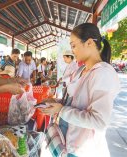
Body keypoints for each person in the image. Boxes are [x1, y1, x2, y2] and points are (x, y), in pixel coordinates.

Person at [41, 23, 120, 157]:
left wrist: (61, 110)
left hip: (85, 150)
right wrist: (56, 102)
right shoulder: (81, 70)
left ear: (89, 43)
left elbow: (99, 121)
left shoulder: (103, 74)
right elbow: (75, 103)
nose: (72, 50)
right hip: (69, 144)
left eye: (74, 45)